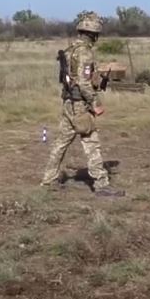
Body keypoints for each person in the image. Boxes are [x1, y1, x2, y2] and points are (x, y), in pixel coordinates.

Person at [39, 12, 124, 196]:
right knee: (91, 142)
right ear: (93, 34)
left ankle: (48, 180)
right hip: (80, 105)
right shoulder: (84, 52)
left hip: (69, 102)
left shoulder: (71, 50)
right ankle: (101, 184)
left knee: (61, 143)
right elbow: (84, 82)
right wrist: (95, 103)